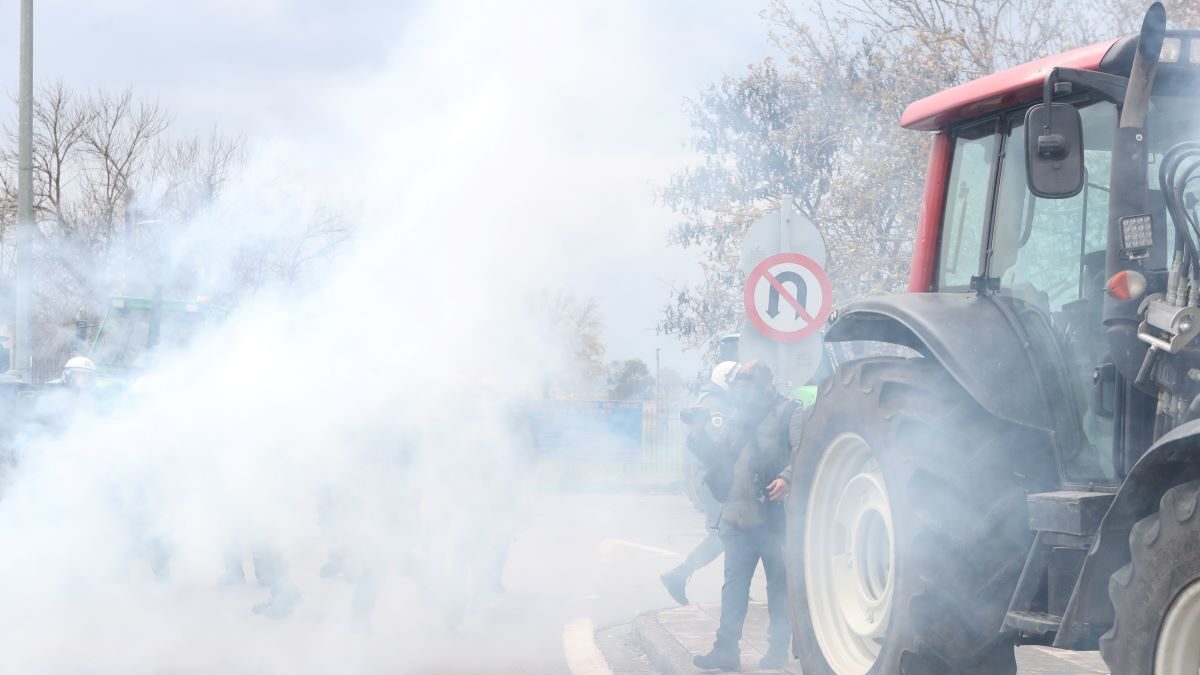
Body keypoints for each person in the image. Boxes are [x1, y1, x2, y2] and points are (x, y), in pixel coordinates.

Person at [694, 360, 798, 672]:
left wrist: (788, 478)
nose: (743, 391)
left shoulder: (790, 412)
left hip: (773, 518)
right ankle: (726, 650)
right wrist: (697, 434)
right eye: (738, 385)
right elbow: (719, 458)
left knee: (778, 588)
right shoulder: (737, 417)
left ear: (768, 384)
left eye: (749, 384)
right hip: (737, 517)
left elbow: (803, 450)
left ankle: (777, 650)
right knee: (734, 586)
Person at [661, 361, 738, 605]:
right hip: (714, 483)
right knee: (721, 537)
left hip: (712, 481)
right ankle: (678, 575)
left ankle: (736, 591)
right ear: (726, 381)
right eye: (735, 382)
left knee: (730, 536)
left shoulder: (714, 401)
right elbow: (717, 445)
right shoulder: (716, 406)